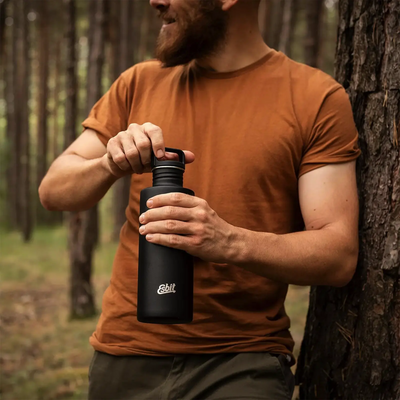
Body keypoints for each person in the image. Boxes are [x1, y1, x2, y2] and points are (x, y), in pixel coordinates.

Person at [39, 0, 361, 398]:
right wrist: (109, 163)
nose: (155, 1)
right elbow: (53, 190)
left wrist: (226, 240)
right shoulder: (138, 83)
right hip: (124, 358)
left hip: (240, 364)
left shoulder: (316, 98)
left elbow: (338, 255)